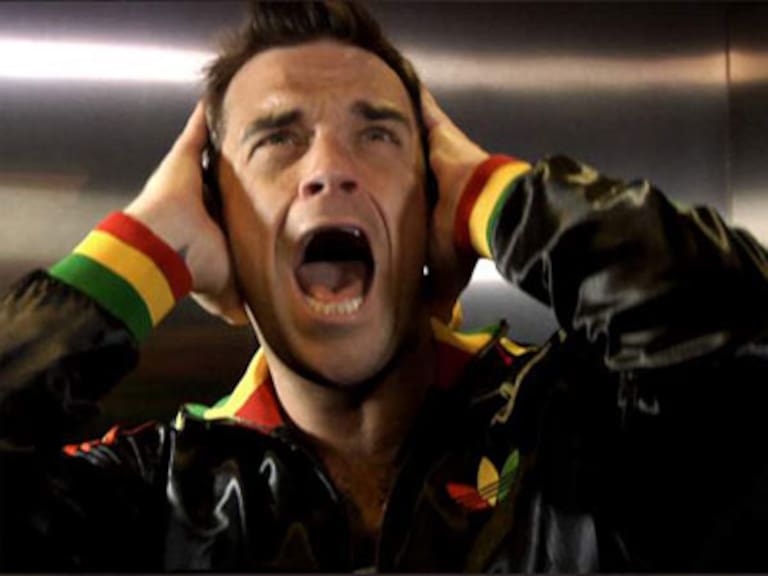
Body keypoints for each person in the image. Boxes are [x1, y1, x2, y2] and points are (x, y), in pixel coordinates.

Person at [1, 0, 767, 572]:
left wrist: (492, 193)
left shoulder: (574, 428)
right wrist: (143, 251)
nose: (330, 168)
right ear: (218, 234)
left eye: (376, 134)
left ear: (433, 211)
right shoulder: (154, 496)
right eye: (278, 139)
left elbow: (741, 336)